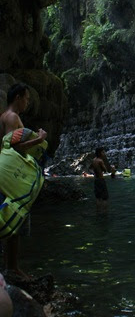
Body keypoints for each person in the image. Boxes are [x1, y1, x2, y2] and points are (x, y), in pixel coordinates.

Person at [0, 83, 47, 279]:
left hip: (4, 173)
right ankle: (12, 268)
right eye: (26, 98)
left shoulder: (3, 116)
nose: (28, 102)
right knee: (15, 218)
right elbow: (14, 148)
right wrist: (40, 138)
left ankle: (11, 267)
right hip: (9, 174)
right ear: (18, 97)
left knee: (7, 216)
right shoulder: (12, 117)